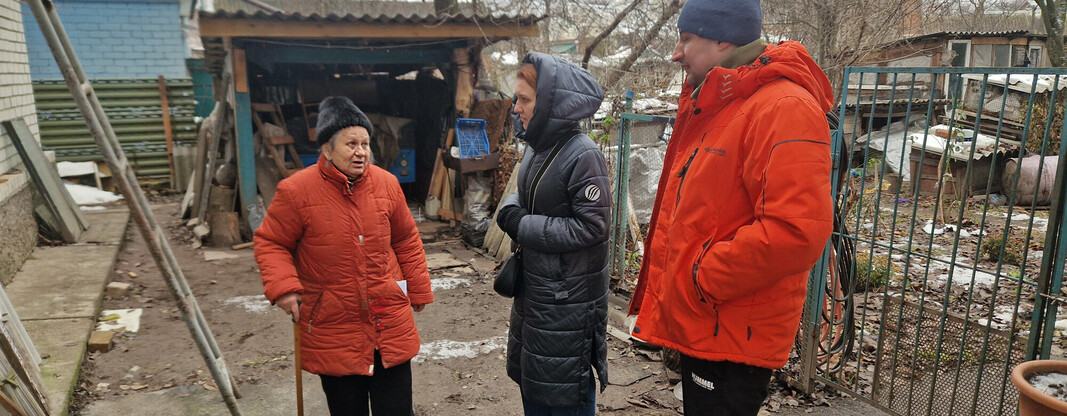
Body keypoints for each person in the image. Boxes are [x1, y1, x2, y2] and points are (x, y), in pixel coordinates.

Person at [626, 0, 836, 414]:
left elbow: (796, 232)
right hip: (709, 321)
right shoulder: (722, 104)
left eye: (686, 39)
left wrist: (701, 279)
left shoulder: (783, 108)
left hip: (731, 330)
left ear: (723, 38)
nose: (675, 53)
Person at [254, 96, 433, 416]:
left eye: (365, 143)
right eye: (351, 143)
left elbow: (406, 239)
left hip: (388, 319)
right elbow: (271, 242)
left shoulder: (387, 184)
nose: (361, 151)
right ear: (326, 148)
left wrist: (418, 286)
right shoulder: (296, 191)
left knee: (396, 410)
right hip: (334, 324)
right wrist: (283, 286)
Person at [495, 52, 610, 416]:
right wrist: (513, 207)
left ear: (551, 103)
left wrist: (521, 224)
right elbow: (527, 193)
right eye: (516, 99)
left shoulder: (583, 154)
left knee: (562, 395)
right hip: (538, 294)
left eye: (524, 100)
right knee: (535, 385)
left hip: (566, 303)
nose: (516, 108)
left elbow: (592, 226)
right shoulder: (538, 147)